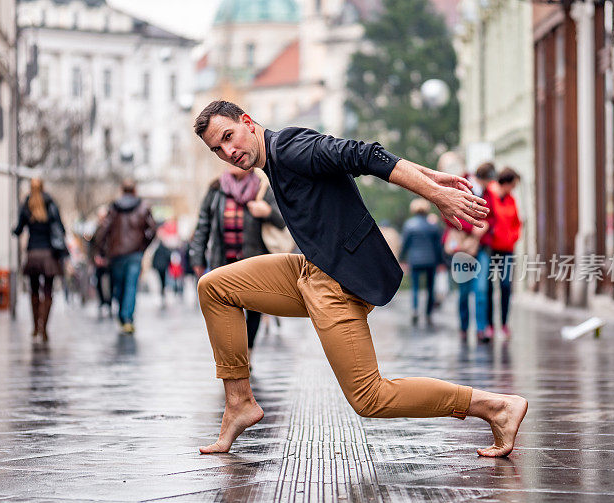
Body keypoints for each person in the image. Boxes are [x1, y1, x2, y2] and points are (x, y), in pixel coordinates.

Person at [192, 100, 528, 457]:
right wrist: (430, 175)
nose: (228, 151)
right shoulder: (274, 159)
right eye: (217, 148)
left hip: (335, 282)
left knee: (371, 397)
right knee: (215, 287)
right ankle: (239, 403)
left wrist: (435, 194)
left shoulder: (291, 148)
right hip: (310, 269)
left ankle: (494, 407)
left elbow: (363, 154)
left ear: (247, 121)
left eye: (229, 136)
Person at [190, 164, 286, 361]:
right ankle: (234, 355)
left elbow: (283, 220)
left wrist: (267, 212)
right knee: (226, 309)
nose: (230, 162)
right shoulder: (216, 188)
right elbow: (203, 225)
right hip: (223, 260)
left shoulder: (262, 187)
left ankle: (248, 350)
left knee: (253, 308)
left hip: (254, 261)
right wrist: (197, 257)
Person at [95, 179, 157, 334]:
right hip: (135, 253)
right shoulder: (143, 207)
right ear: (135, 190)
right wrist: (143, 246)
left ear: (122, 191)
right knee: (130, 286)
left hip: (116, 254)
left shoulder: (114, 208)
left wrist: (101, 250)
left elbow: (103, 230)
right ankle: (127, 318)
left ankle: (123, 316)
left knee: (118, 286)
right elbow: (153, 230)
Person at [13, 178, 65, 343]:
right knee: (48, 291)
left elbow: (18, 229)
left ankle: (36, 326)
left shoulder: (27, 204)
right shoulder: (50, 203)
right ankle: (44, 328)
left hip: (33, 254)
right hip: (49, 254)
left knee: (34, 291)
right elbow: (60, 228)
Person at [486, 168, 522, 339]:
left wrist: (513, 237)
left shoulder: (511, 200)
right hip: (490, 248)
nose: (514, 188)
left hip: (507, 250)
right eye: (513, 184)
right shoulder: (490, 195)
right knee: (488, 287)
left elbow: (516, 223)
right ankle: (490, 325)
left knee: (506, 286)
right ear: (506, 182)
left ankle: (504, 324)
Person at [399, 198, 443, 326]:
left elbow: (405, 245)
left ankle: (415, 310)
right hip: (431, 260)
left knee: (416, 287)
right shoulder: (432, 225)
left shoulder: (409, 224)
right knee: (430, 288)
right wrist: (440, 261)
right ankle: (428, 313)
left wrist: (402, 259)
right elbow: (438, 246)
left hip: (415, 260)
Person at [471, 162, 497, 343]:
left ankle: (481, 328)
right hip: (465, 247)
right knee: (464, 292)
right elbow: (450, 215)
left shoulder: (489, 193)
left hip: (483, 247)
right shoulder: (464, 186)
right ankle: (464, 328)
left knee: (481, 288)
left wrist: (486, 226)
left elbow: (494, 217)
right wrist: (470, 228)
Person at [91, 206, 112, 317]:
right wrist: (95, 257)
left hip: (109, 259)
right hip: (99, 259)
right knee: (98, 280)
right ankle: (102, 301)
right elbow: (93, 244)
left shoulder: (111, 227)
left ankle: (109, 301)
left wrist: (108, 258)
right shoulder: (97, 228)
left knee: (110, 281)